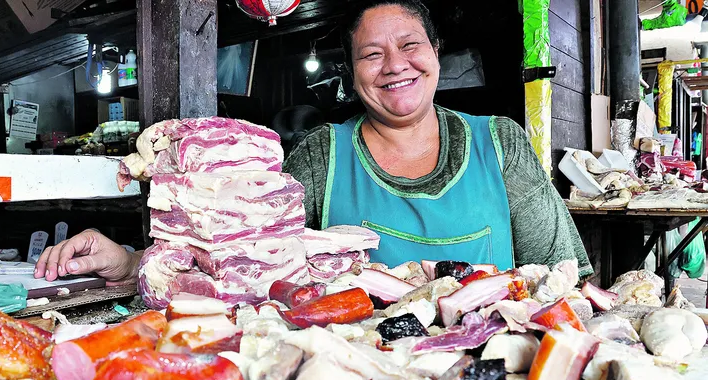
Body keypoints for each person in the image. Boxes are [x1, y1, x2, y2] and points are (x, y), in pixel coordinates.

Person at [35, 0, 591, 285]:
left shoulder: (502, 144)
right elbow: (234, 252)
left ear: (435, 52)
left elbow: (564, 277)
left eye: (409, 46)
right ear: (352, 72)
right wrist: (132, 263)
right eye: (372, 54)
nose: (394, 66)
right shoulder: (323, 155)